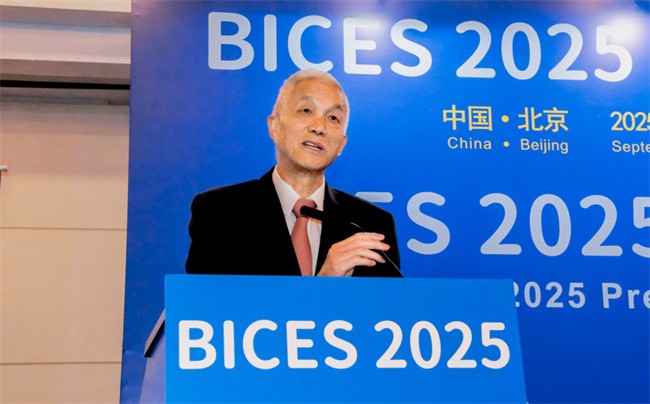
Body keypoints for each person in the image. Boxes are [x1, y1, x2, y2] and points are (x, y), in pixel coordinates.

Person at [185, 69, 401, 277]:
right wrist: (325, 284)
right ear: (275, 127)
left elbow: (388, 303)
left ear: (341, 144)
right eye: (306, 111)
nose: (319, 127)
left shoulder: (370, 225)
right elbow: (207, 301)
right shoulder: (219, 212)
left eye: (333, 118)